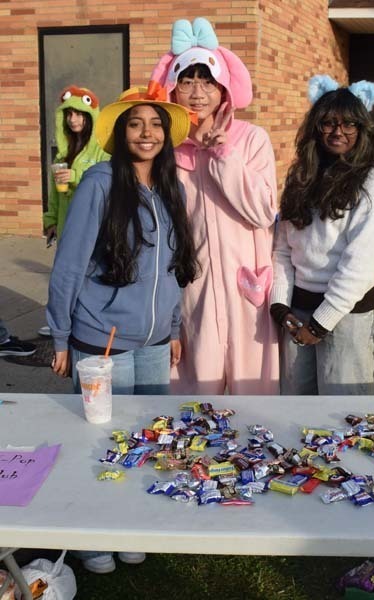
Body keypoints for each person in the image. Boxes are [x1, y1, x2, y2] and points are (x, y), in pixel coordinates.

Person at [46, 84, 198, 573]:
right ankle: (92, 537)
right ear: (119, 132)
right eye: (136, 124)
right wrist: (60, 335)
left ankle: (130, 523)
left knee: (146, 439)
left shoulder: (169, 186)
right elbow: (69, 263)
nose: (147, 133)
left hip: (154, 341)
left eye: (156, 124)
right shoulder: (99, 182)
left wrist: (173, 327)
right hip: (100, 338)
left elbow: (174, 268)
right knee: (102, 444)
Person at [149, 17, 279, 395]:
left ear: (224, 88)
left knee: (255, 396)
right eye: (186, 81)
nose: (197, 92)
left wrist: (223, 154)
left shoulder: (252, 139)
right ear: (172, 90)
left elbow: (262, 210)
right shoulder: (166, 151)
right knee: (195, 397)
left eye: (207, 81)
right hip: (193, 291)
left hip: (248, 292)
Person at [270, 75, 374, 395]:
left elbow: (361, 266)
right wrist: (280, 306)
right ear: (316, 128)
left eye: (349, 124)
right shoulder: (301, 177)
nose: (338, 132)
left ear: (361, 130)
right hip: (297, 317)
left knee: (343, 417)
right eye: (328, 123)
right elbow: (283, 250)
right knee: (298, 412)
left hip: (346, 318)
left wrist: (320, 323)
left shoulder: (372, 185)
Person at [40, 85, 109, 337]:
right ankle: (61, 322)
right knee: (63, 275)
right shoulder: (63, 152)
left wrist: (77, 175)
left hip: (93, 226)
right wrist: (50, 220)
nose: (73, 119)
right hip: (66, 224)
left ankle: (85, 325)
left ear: (91, 117)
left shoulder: (101, 150)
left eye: (79, 114)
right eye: (68, 114)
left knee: (89, 276)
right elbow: (56, 192)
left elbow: (105, 185)